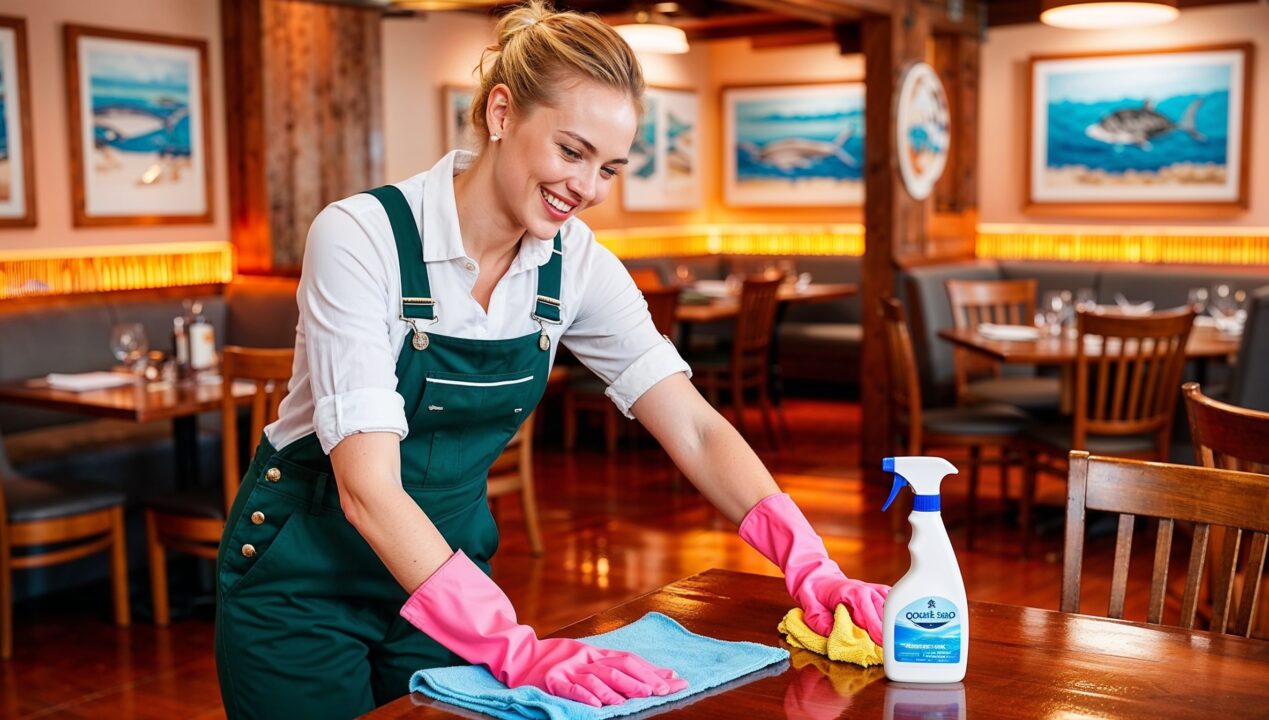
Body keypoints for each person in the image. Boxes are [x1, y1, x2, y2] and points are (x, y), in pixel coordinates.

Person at [213, 3, 888, 718]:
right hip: (302, 587)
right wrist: (513, 645)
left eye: (609, 168)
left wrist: (807, 561)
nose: (588, 188)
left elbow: (692, 426)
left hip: (443, 584)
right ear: (501, 113)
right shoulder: (361, 238)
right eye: (571, 152)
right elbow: (366, 490)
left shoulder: (574, 264)